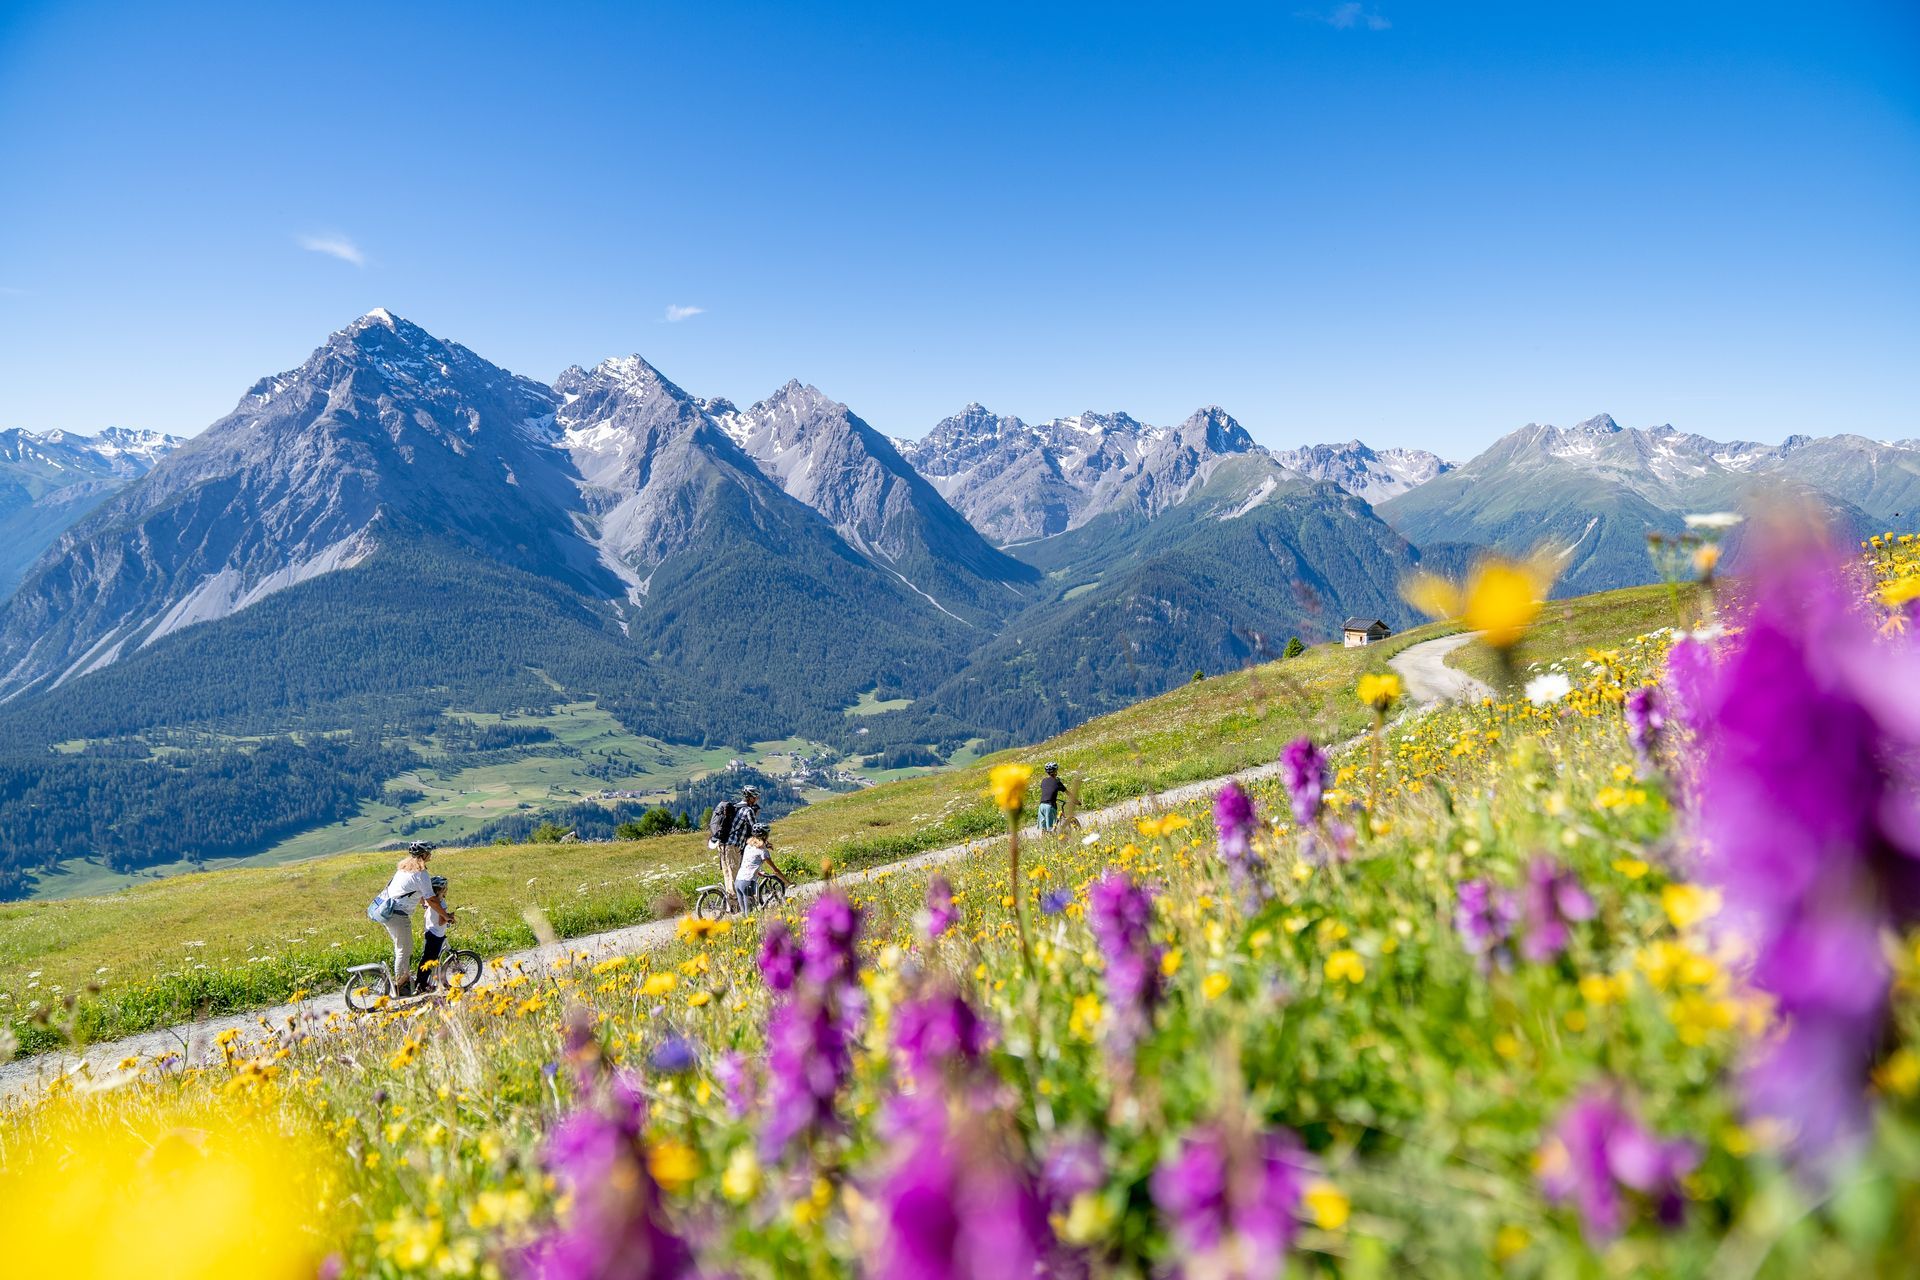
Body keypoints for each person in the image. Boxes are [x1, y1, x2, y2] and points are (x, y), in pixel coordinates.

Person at [369, 843, 453, 996]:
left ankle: (404, 980)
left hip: (389, 910)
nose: (431, 855)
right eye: (429, 852)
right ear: (424, 855)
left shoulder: (404, 868)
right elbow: (432, 899)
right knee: (404, 948)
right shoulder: (421, 874)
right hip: (397, 914)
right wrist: (446, 916)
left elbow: (412, 891)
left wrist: (422, 904)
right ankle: (400, 985)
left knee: (402, 947)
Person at [710, 785, 761, 910]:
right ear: (750, 798)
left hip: (722, 845)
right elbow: (756, 829)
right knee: (735, 875)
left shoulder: (736, 807)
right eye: (755, 797)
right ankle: (738, 906)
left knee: (727, 875)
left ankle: (732, 906)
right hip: (732, 847)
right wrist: (764, 842)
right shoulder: (748, 810)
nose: (757, 799)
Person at [733, 821, 788, 907]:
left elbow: (749, 863)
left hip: (738, 881)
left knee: (745, 916)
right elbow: (776, 871)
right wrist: (787, 882)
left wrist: (758, 872)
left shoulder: (748, 846)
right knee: (750, 915)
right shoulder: (763, 852)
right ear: (765, 836)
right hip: (748, 883)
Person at [417, 874, 451, 990]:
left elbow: (422, 901)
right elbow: (442, 921)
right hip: (437, 934)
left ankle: (421, 982)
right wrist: (450, 917)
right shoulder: (441, 904)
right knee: (430, 960)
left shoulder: (430, 901)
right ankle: (422, 984)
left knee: (426, 958)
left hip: (429, 932)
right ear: (442, 890)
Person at [1038, 762, 1065, 834]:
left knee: (1044, 829)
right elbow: (1068, 793)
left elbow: (1048, 790)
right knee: (1051, 828)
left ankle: (1044, 841)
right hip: (1049, 806)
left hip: (1041, 806)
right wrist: (1076, 801)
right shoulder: (1057, 781)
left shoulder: (1043, 781)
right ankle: (1052, 841)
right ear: (1056, 771)